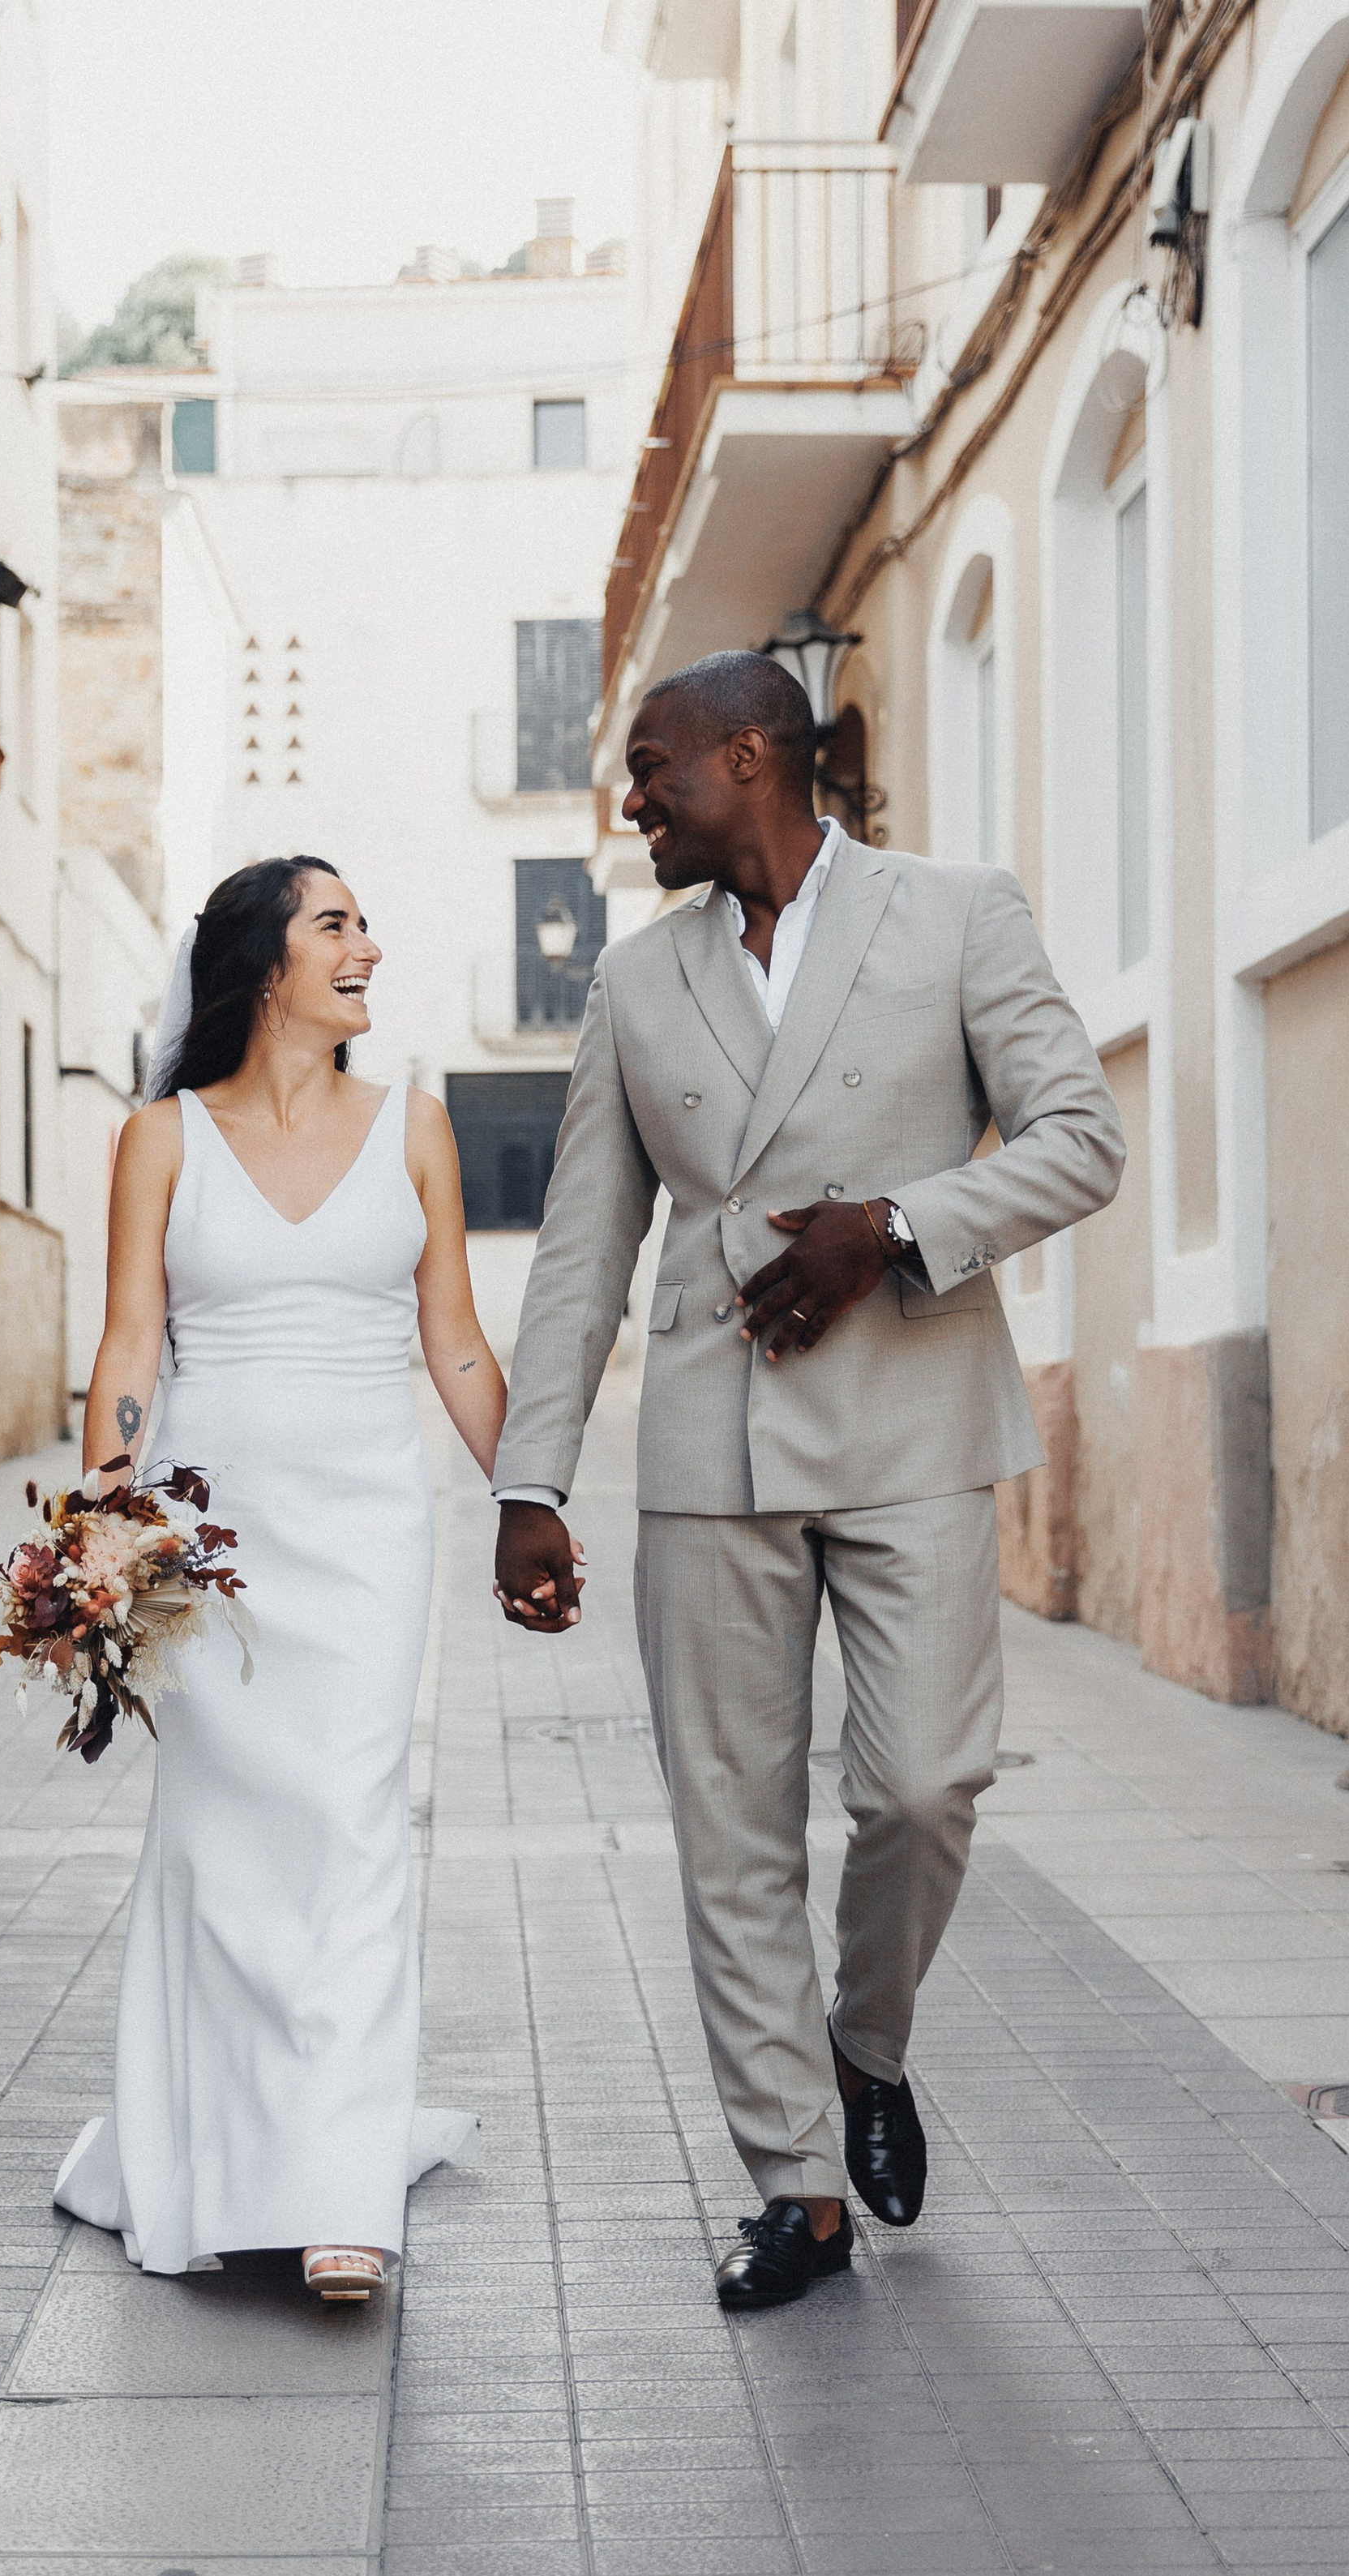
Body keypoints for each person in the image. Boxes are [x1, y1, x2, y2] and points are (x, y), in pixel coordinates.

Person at [493, 654, 1125, 2311]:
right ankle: (793, 2184)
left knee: (920, 1787)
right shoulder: (636, 983)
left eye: (652, 771)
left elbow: (1077, 1135)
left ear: (749, 756)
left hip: (912, 1417)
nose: (632, 803)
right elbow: (582, 1245)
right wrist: (528, 1481)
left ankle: (864, 2044)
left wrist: (894, 1225)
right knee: (729, 1829)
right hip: (709, 1441)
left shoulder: (955, 912)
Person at [54, 856, 495, 2300]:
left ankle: (338, 2186)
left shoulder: (415, 1127)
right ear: (266, 967)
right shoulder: (161, 1139)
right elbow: (130, 1350)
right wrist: (100, 1546)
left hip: (370, 1533)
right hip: (210, 1546)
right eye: (338, 926)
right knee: (224, 1845)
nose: (371, 944)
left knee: (357, 1828)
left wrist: (532, 1499)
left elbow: (458, 1347)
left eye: (364, 922)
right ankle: (222, 2145)